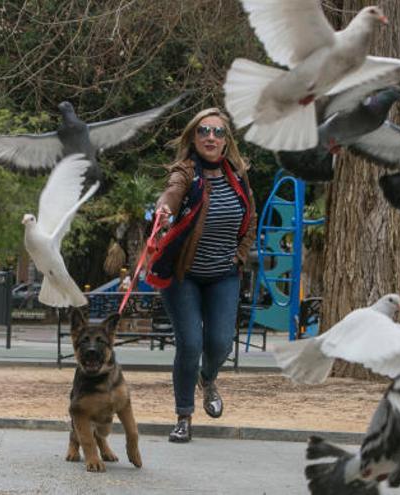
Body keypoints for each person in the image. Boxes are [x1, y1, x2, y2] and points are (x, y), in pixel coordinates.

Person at [147, 108, 257, 443]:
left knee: (221, 342)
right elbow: (171, 193)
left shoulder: (238, 176)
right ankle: (183, 416)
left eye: (218, 132)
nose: (211, 137)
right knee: (190, 344)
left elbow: (249, 220)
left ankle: (207, 380)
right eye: (204, 131)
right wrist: (164, 209)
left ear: (226, 140)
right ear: (193, 138)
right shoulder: (185, 173)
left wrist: (238, 258)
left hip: (223, 274)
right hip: (184, 275)